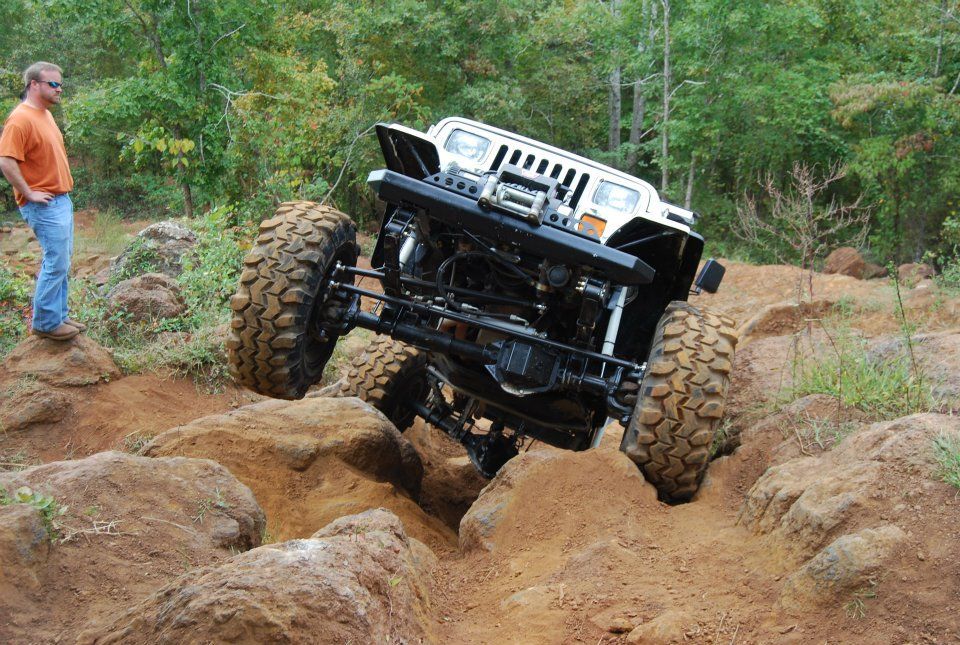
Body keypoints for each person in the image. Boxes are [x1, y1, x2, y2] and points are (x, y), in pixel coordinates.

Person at [0, 61, 85, 341]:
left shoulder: (45, 114)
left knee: (63, 261)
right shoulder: (20, 119)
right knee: (56, 261)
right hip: (43, 204)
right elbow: (6, 161)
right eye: (53, 84)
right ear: (34, 84)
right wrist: (29, 192)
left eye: (61, 84)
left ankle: (58, 315)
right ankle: (46, 323)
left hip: (60, 199)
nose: (59, 89)